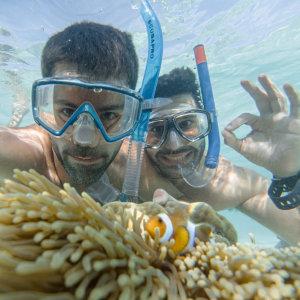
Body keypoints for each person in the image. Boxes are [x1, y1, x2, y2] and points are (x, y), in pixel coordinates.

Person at [107, 67, 300, 245]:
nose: (174, 145)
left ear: (207, 125)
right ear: (140, 134)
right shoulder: (117, 157)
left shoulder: (226, 183)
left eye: (186, 124)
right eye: (157, 129)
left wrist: (289, 174)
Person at [0, 21, 139, 201]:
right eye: (67, 111)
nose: (85, 141)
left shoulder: (134, 166)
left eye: (108, 115)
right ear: (49, 104)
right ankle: (18, 111)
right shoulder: (19, 153)